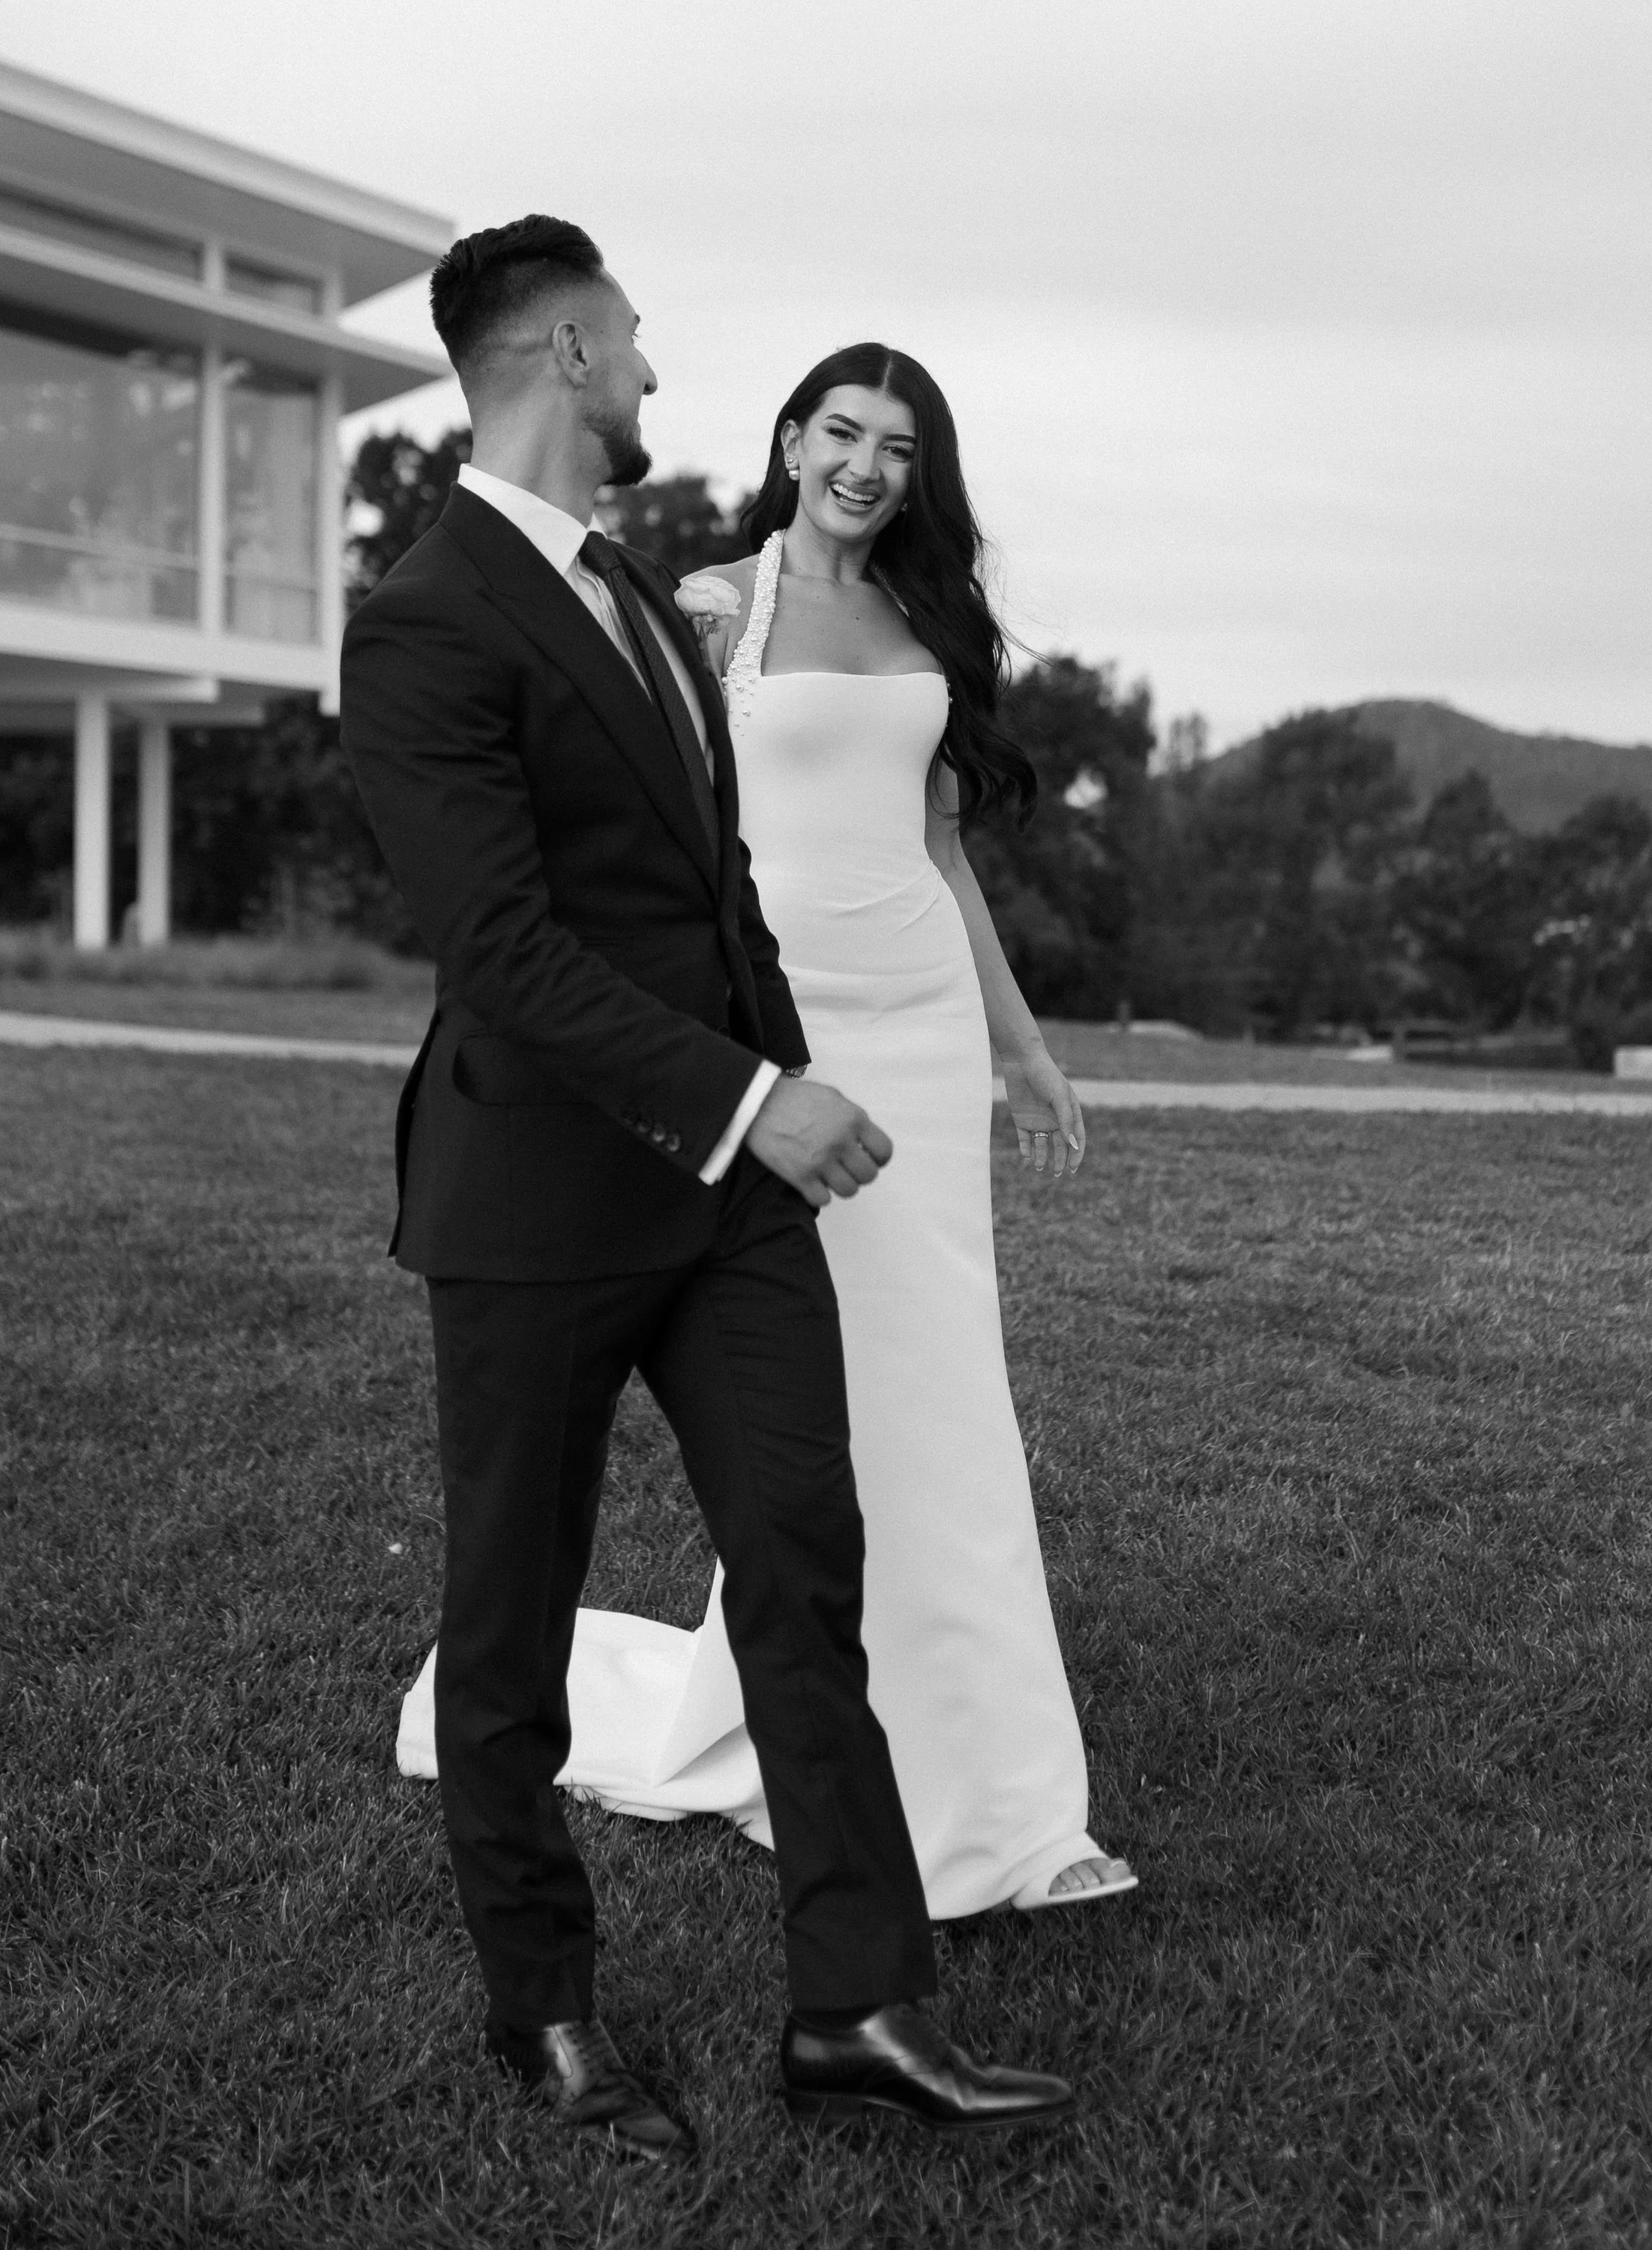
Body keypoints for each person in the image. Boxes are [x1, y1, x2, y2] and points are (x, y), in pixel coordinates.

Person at [343, 219, 1072, 2165]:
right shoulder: (424, 612)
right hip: (532, 1199)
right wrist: (756, 1096)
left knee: (805, 1557)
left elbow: (715, 890)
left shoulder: (635, 605)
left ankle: (854, 1999)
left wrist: (788, 1080)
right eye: (635, 337)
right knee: (506, 1621)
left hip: (731, 1194)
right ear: (568, 346)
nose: (657, 366)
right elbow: (504, 945)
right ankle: (551, 2010)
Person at [399, 340, 1136, 1917]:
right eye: (842, 433)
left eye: (898, 447)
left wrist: (1020, 1049)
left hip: (922, 1034)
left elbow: (939, 853)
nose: (868, 466)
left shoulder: (933, 623)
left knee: (943, 1392)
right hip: (785, 1035)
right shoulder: (705, 612)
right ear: (792, 441)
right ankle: (796, 1728)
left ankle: (1004, 1806)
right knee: (819, 1407)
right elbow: (652, 840)